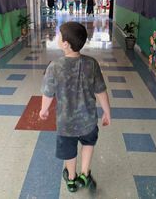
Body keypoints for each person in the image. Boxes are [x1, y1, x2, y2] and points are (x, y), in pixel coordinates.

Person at [40, 22, 111, 193]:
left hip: (66, 123)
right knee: (88, 143)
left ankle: (71, 179)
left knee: (69, 151)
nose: (57, 37)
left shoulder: (54, 66)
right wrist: (107, 112)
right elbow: (101, 91)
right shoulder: (91, 64)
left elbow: (48, 93)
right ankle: (85, 174)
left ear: (65, 44)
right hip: (88, 119)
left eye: (59, 35)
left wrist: (44, 110)